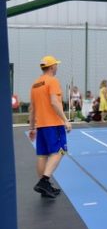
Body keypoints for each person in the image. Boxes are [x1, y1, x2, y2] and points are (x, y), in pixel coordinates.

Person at [28, 55, 71, 198]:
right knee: (60, 151)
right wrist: (65, 120)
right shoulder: (52, 81)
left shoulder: (35, 84)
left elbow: (32, 109)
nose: (57, 67)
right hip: (54, 124)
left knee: (42, 155)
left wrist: (32, 127)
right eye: (56, 65)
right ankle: (44, 181)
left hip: (41, 126)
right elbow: (54, 102)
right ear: (52, 67)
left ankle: (45, 187)